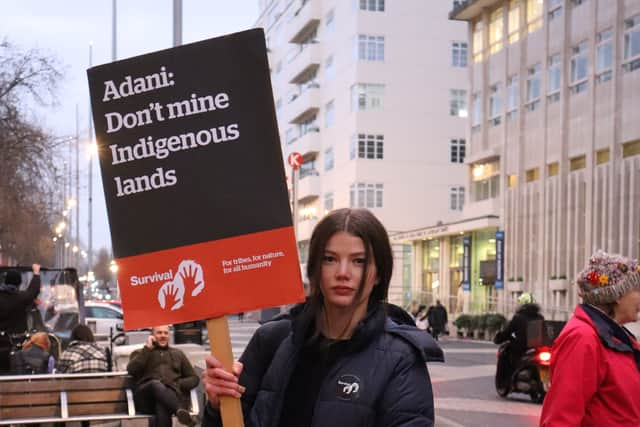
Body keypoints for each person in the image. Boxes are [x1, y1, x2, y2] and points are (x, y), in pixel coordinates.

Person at [202, 208, 444, 426]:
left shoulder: (401, 359)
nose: (343, 273)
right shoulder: (272, 340)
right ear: (315, 268)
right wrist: (217, 406)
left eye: (359, 261)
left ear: (379, 274)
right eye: (330, 259)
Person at [540, 251, 640, 426]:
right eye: (637, 290)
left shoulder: (617, 337)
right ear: (616, 295)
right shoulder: (583, 338)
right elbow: (561, 417)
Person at [127, 325, 199, 427]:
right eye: (159, 333)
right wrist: (147, 349)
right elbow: (131, 370)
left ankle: (178, 410)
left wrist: (176, 384)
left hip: (169, 398)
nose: (163, 336)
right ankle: (178, 410)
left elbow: (194, 378)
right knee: (155, 384)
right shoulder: (140, 353)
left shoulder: (178, 354)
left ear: (169, 335)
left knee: (162, 404)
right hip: (145, 398)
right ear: (152, 335)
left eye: (166, 333)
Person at [494, 293, 543, 367]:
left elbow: (508, 332)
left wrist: (499, 338)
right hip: (537, 347)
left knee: (504, 356)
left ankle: (507, 377)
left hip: (521, 348)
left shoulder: (518, 317)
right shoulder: (540, 317)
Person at [0, 264, 41, 334]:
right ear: (19, 283)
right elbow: (33, 291)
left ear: (5, 281)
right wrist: (36, 273)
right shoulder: (21, 298)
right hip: (17, 340)